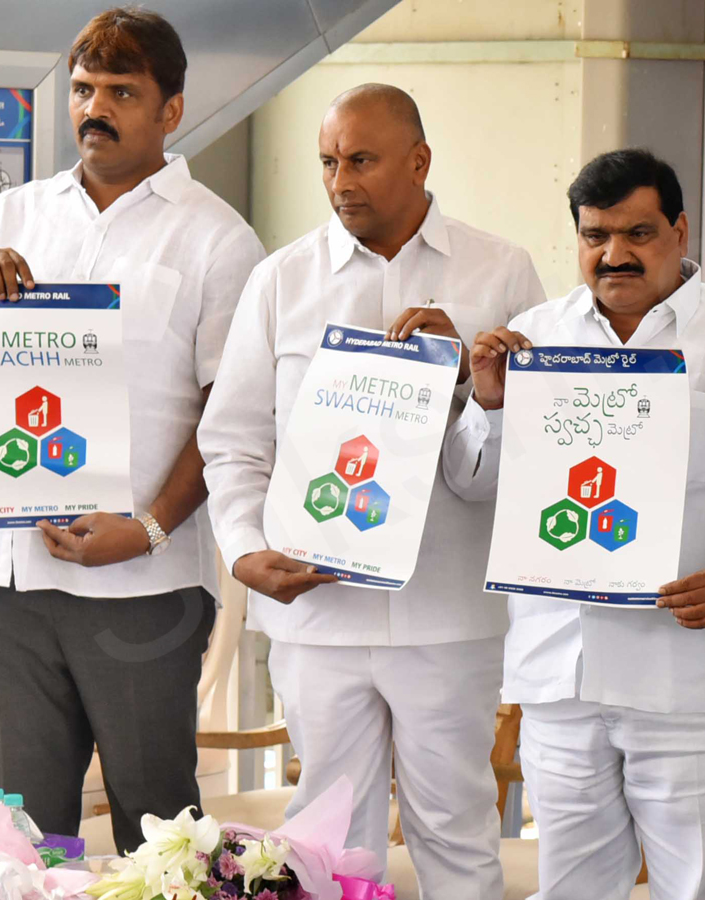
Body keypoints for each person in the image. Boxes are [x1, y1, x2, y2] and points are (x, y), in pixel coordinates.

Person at [198, 84, 545, 898]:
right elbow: (233, 440)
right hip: (318, 611)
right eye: (327, 162)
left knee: (456, 825)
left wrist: (469, 376)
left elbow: (536, 450)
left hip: (449, 614)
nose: (341, 179)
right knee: (324, 837)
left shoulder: (503, 270)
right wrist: (246, 550)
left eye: (361, 159)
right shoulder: (280, 281)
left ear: (419, 161)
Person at [0, 8, 265, 852]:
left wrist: (150, 529)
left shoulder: (217, 239)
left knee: (157, 832)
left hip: (141, 585)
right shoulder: (8, 221)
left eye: (122, 91)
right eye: (85, 88)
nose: (95, 107)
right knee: (21, 839)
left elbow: (229, 419)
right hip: (6, 580)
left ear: (171, 110)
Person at [444, 149, 705, 900]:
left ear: (680, 231)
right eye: (596, 236)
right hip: (562, 675)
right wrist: (490, 405)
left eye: (638, 233)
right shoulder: (533, 335)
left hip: (690, 681)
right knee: (572, 891)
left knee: (694, 891)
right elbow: (469, 485)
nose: (614, 255)